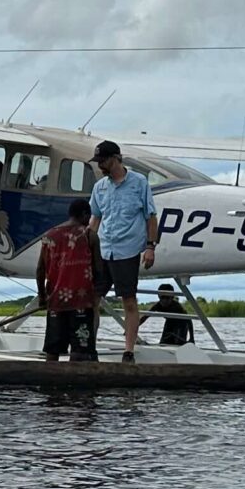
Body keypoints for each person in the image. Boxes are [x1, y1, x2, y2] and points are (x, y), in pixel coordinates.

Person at [87, 141, 159, 362]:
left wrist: (150, 247)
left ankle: (129, 351)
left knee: (129, 300)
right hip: (104, 249)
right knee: (92, 300)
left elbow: (151, 217)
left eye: (104, 161)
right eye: (98, 162)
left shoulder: (139, 182)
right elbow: (95, 218)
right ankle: (88, 346)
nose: (100, 166)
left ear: (116, 159)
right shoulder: (99, 187)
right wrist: (85, 245)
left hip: (127, 250)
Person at [35, 199, 100, 362]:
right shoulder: (89, 235)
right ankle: (76, 383)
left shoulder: (49, 236)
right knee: (80, 350)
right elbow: (99, 269)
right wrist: (96, 296)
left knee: (53, 349)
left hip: (56, 301)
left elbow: (40, 270)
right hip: (82, 302)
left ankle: (49, 383)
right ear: (85, 215)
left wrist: (42, 297)